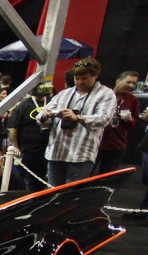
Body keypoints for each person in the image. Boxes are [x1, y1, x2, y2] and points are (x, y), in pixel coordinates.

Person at [38, 58, 115, 186]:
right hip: (56, 152)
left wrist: (78, 118)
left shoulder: (106, 94)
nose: (79, 82)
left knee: (72, 195)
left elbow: (103, 119)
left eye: (84, 78)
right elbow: (41, 116)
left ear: (95, 75)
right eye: (76, 78)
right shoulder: (64, 94)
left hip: (80, 154)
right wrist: (45, 116)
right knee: (52, 193)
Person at [92, 70, 140, 176]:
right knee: (86, 175)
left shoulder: (132, 100)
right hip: (97, 142)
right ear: (118, 81)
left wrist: (129, 120)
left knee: (106, 178)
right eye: (128, 82)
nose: (131, 85)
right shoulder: (103, 96)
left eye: (133, 83)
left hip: (117, 144)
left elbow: (135, 122)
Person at [7, 85, 51, 191]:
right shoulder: (24, 105)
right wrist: (15, 146)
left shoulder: (51, 102)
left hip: (44, 151)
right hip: (25, 151)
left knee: (38, 183)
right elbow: (13, 127)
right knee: (17, 180)